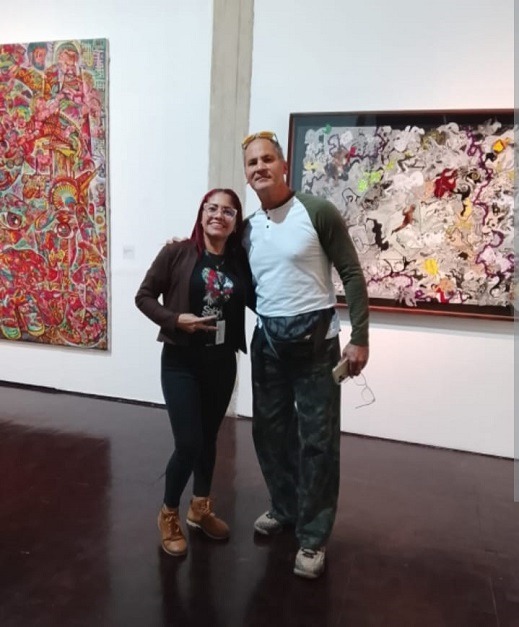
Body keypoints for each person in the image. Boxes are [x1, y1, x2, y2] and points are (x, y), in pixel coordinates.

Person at [241, 131, 370, 579]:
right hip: (268, 345)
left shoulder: (316, 211)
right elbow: (246, 283)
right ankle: (285, 506)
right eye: (252, 163)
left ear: (283, 164)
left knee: (318, 442)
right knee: (269, 434)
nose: (260, 167)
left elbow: (351, 273)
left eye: (267, 159)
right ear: (247, 174)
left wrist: (360, 338)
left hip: (318, 346)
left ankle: (313, 536)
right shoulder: (248, 228)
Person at [135, 188, 253, 557]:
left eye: (228, 211)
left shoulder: (239, 261)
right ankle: (169, 513)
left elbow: (256, 297)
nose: (219, 215)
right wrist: (174, 319)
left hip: (221, 363)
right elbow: (143, 296)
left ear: (236, 222)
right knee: (188, 442)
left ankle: (200, 508)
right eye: (212, 208)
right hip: (181, 361)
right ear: (201, 214)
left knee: (208, 438)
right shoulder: (177, 252)